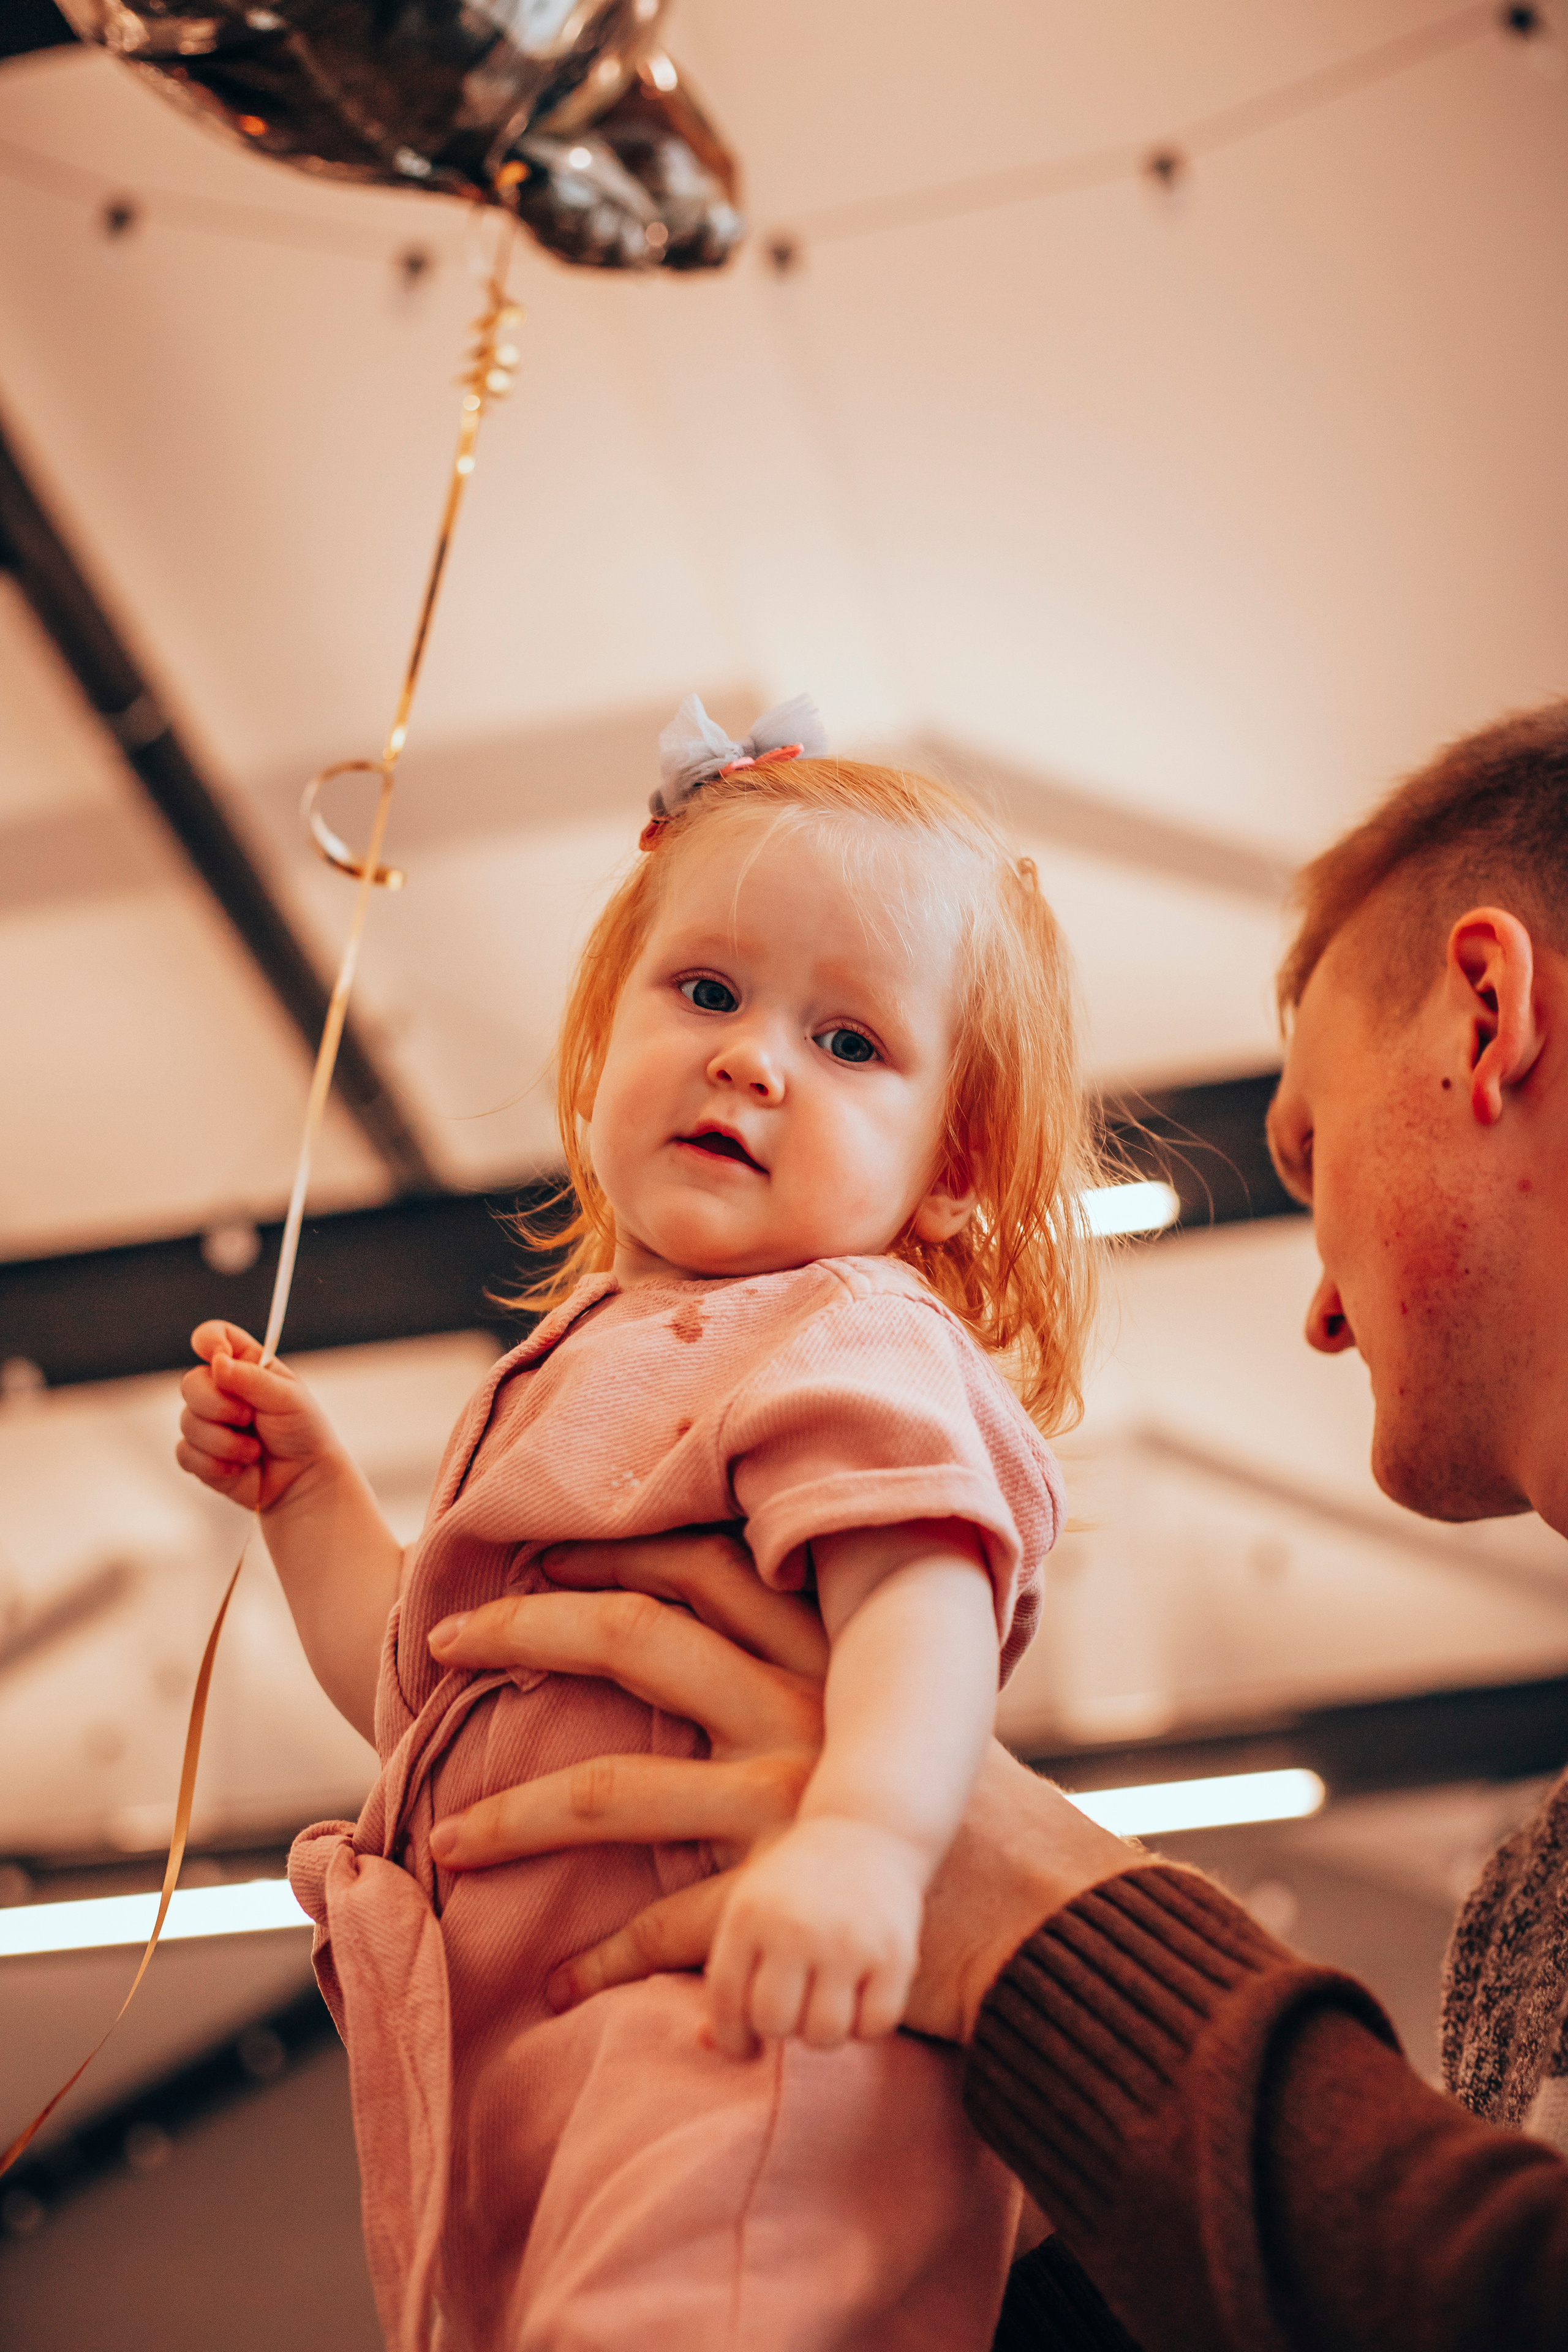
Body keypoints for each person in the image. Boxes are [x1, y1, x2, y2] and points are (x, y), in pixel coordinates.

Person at [417, 701, 1568, 2350]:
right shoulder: (1532, 1900)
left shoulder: (853, 1347)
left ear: (1487, 1012)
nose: (1319, 1308)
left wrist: (1013, 1908)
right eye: (708, 994)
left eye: (1309, 1152)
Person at [175, 697, 1108, 2351]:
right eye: (707, 991)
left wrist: (866, 1847)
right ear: (607, 1032)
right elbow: (427, 1691)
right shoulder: (564, 1370)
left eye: (849, 1042)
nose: (752, 1054)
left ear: (951, 1166)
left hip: (757, 2029)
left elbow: (924, 1605)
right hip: (539, 2067)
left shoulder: (848, 1330)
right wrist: (312, 1500)